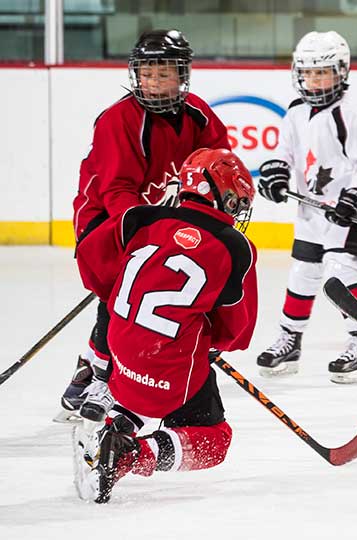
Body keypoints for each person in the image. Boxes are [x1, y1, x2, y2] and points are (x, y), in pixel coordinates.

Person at [57, 29, 230, 423]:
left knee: (146, 287)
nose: (152, 83)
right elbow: (117, 190)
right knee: (124, 290)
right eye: (146, 74)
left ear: (182, 75)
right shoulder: (119, 120)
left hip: (157, 218)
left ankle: (88, 366)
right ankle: (102, 376)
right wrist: (150, 233)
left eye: (163, 74)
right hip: (106, 220)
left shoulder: (198, 115)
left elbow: (217, 164)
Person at [71, 148, 257, 504]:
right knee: (214, 441)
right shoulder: (236, 247)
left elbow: (91, 259)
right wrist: (206, 338)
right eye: (235, 200)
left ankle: (114, 431)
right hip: (168, 365)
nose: (236, 209)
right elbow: (236, 334)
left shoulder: (139, 218)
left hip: (121, 351)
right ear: (220, 194)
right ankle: (129, 455)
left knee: (149, 376)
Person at [256, 31, 357, 384]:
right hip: (312, 212)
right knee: (303, 273)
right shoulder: (296, 112)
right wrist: (276, 172)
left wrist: (355, 196)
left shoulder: (352, 114)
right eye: (308, 72)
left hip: (350, 214)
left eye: (322, 72)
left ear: (341, 71)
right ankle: (290, 339)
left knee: (341, 272)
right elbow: (285, 152)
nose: (314, 80)